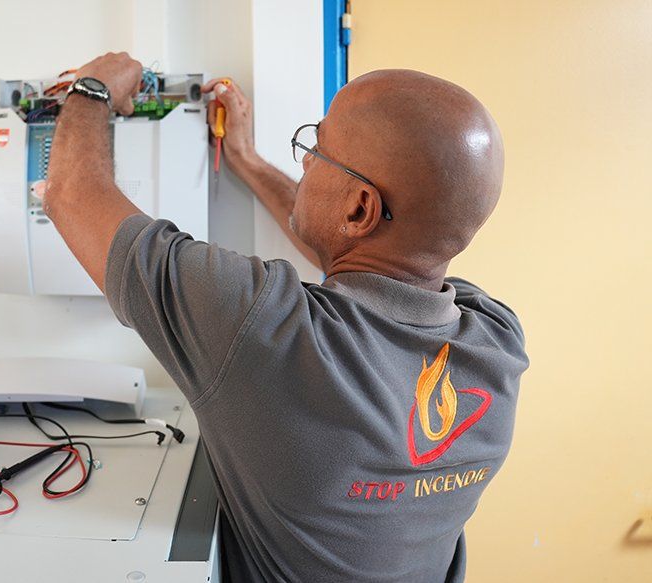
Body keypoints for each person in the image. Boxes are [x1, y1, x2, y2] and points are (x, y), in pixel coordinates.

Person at [44, 52, 529, 583]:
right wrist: (247, 160)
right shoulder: (497, 339)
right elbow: (356, 249)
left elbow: (72, 196)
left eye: (317, 149)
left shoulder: (261, 328)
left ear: (359, 208)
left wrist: (93, 90)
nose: (305, 161)